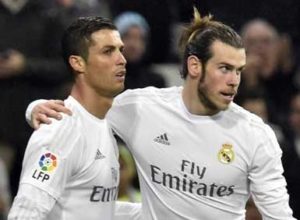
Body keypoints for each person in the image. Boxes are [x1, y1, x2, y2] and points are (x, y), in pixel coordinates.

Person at [25, 8, 296, 219]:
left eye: (239, 70)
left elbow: (279, 215)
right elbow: (81, 109)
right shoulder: (142, 109)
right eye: (224, 68)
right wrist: (35, 108)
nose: (234, 80)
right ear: (194, 66)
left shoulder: (255, 134)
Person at [8, 16, 140, 220]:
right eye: (108, 51)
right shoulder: (60, 129)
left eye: (120, 50)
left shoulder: (102, 123)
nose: (121, 60)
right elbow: (24, 213)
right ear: (78, 63)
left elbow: (92, 209)